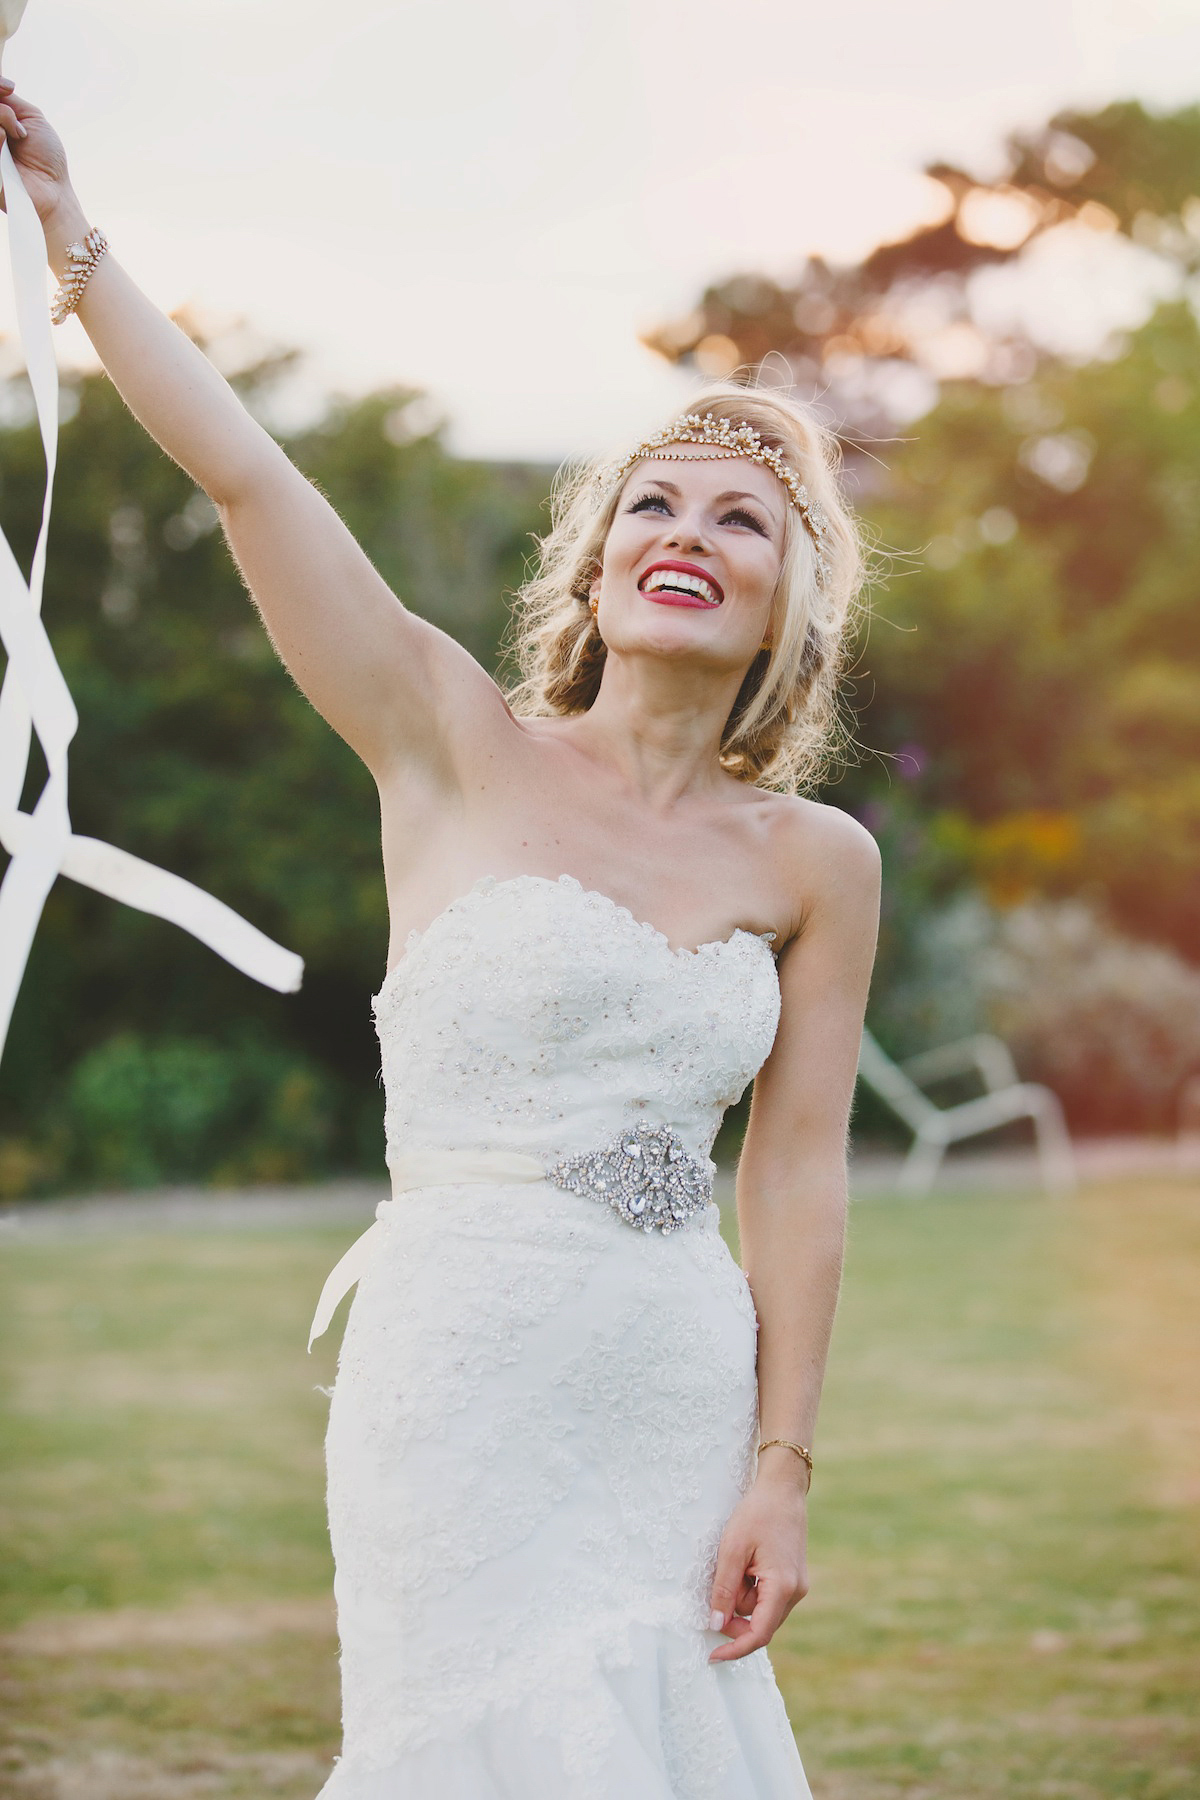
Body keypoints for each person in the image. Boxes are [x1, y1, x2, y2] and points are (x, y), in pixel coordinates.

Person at [7, 78, 881, 1800]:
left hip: (671, 1385)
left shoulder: (819, 861)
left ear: (792, 604)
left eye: (739, 521)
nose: (686, 536)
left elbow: (795, 1177)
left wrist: (782, 1463)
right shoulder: (445, 737)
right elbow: (250, 478)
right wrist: (69, 227)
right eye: (653, 505)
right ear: (595, 566)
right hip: (461, 1368)